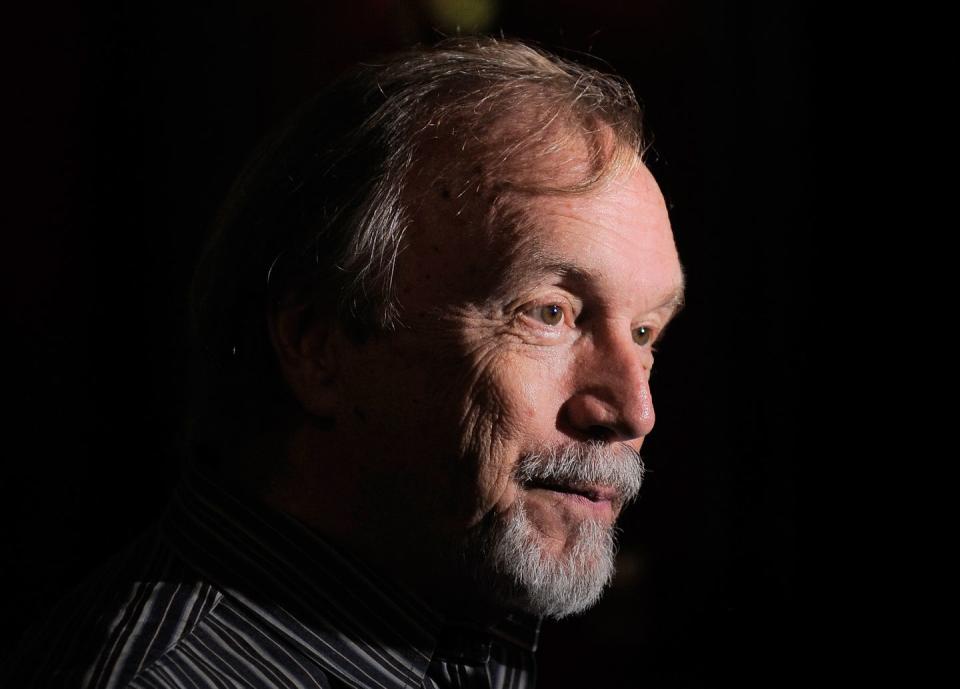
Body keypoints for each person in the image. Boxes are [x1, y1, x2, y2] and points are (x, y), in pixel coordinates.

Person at [6, 36, 685, 688]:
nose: (633, 409)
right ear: (318, 346)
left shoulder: (465, 627)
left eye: (647, 329)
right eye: (550, 313)